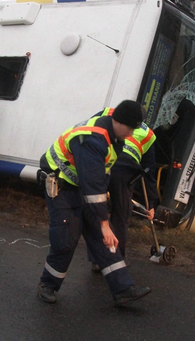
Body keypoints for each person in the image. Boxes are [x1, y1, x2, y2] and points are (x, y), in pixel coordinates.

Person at [36, 99, 152, 307]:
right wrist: (105, 222)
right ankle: (48, 285)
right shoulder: (93, 139)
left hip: (79, 185)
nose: (133, 134)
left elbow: (100, 178)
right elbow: (92, 185)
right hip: (61, 185)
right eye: (132, 128)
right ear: (120, 122)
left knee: (102, 238)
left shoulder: (114, 137)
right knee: (66, 237)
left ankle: (123, 290)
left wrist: (102, 224)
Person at [89, 107, 159, 272]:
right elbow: (149, 171)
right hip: (125, 170)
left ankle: (97, 260)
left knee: (94, 205)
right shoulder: (148, 133)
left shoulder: (109, 112)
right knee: (121, 213)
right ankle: (114, 260)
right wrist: (151, 203)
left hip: (103, 158)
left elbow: (88, 129)